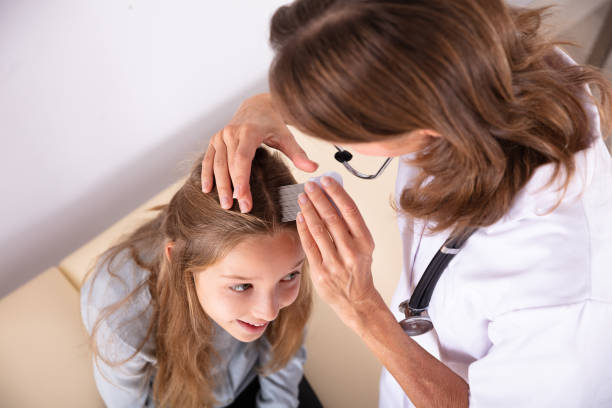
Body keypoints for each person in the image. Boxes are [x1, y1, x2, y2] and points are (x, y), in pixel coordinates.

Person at [201, 0, 612, 406]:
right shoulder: (460, 51)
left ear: (428, 123)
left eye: (338, 133)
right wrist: (263, 106)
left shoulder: (564, 288)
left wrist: (362, 308)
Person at [81, 148, 323, 408]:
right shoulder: (120, 316)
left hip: (258, 378)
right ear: (182, 262)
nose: (270, 311)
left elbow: (284, 347)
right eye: (242, 286)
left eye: (289, 276)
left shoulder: (277, 262)